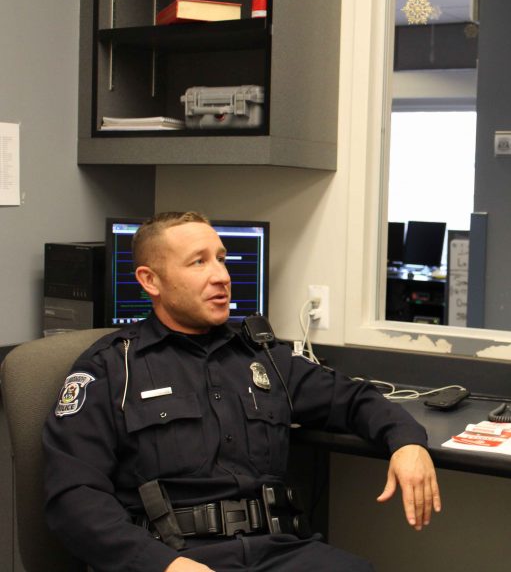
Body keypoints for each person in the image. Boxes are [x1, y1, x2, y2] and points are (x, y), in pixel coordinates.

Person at [43, 212, 442, 572]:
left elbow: (353, 399)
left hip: (279, 551)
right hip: (175, 555)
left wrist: (407, 443)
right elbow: (74, 497)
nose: (221, 275)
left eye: (221, 258)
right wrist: (161, 565)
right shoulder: (112, 368)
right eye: (199, 262)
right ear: (151, 280)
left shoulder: (262, 357)